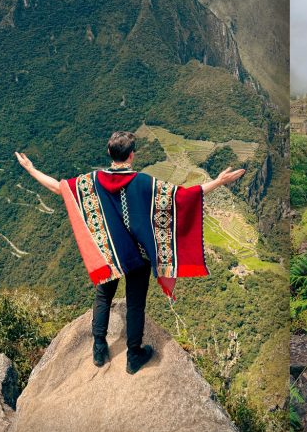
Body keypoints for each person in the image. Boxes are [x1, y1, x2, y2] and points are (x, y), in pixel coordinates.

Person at [16, 131, 245, 374]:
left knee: (103, 297)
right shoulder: (145, 182)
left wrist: (31, 169)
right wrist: (219, 181)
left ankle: (98, 348)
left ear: (109, 153)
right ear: (132, 155)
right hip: (138, 257)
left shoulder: (91, 182)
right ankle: (133, 355)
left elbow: (59, 188)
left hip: (109, 254)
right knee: (136, 305)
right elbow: (184, 196)